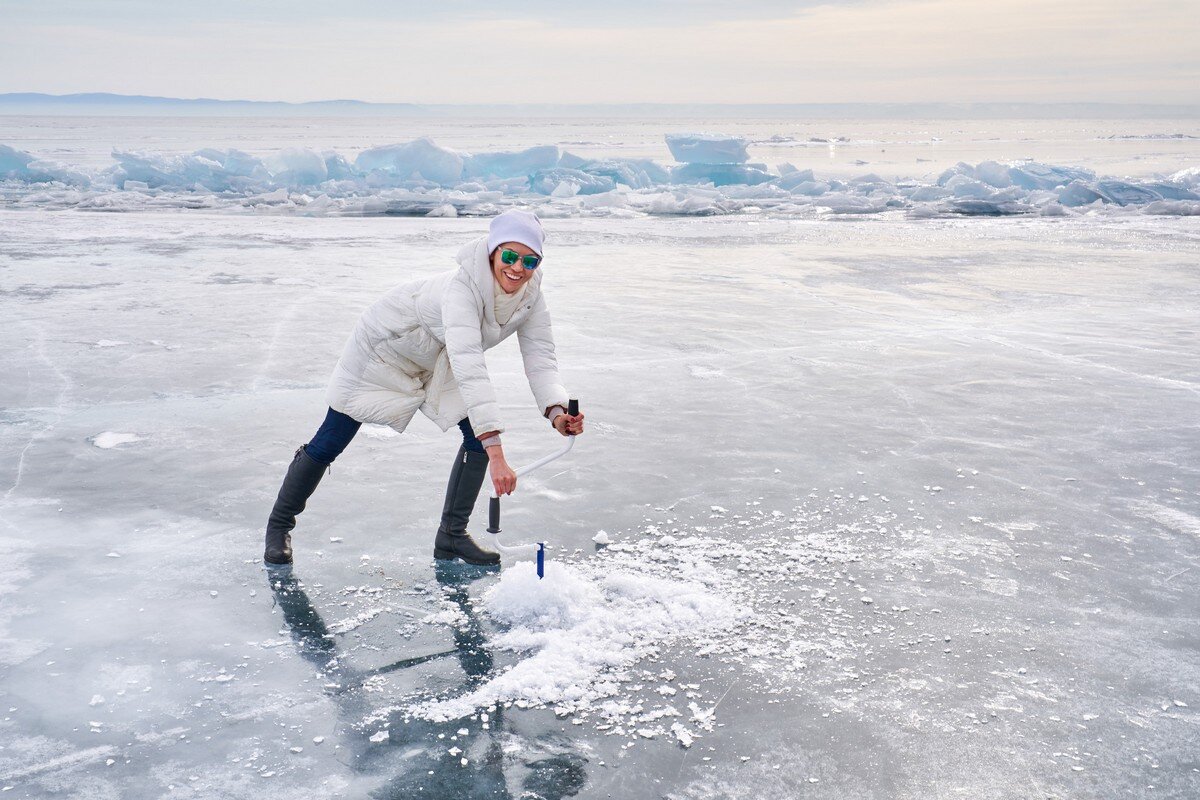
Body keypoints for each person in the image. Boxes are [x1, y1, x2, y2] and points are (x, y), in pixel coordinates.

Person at [263, 209, 584, 567]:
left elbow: (540, 357)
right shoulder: (462, 289)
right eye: (509, 256)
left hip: (438, 356)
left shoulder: (531, 296)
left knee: (477, 440)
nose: (517, 267)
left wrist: (556, 411)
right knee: (331, 439)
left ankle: (451, 535)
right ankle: (278, 527)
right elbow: (471, 365)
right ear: (492, 252)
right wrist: (498, 456)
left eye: (529, 260)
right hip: (385, 347)